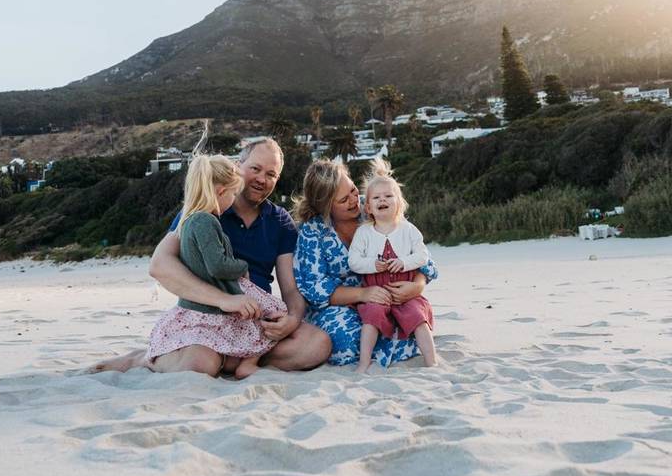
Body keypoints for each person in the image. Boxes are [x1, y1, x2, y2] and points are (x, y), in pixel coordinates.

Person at [91, 138, 331, 376]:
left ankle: (232, 358)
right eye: (255, 169)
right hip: (209, 316)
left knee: (317, 344)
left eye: (271, 174)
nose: (262, 179)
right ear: (238, 165)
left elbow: (290, 287)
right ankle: (145, 358)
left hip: (254, 319)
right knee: (200, 365)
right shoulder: (204, 209)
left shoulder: (279, 220)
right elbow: (159, 265)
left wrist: (292, 319)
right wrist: (223, 300)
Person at [144, 152, 287, 378]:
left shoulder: (195, 218)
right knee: (272, 312)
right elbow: (217, 265)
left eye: (271, 174)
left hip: (225, 300)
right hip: (221, 297)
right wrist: (242, 267)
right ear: (221, 192)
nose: (234, 199)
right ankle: (246, 362)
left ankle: (238, 360)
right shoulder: (204, 220)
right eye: (233, 193)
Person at [292, 159, 438, 369]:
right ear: (325, 206)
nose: (354, 200)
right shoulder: (312, 232)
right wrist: (363, 294)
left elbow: (422, 256)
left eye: (353, 190)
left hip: (392, 298)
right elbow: (314, 288)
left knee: (414, 320)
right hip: (341, 305)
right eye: (344, 200)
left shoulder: (374, 204)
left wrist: (417, 286)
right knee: (348, 340)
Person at [347, 159, 436, 373]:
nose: (382, 200)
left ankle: (432, 360)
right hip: (377, 293)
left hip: (406, 292)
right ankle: (364, 362)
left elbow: (423, 256)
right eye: (376, 197)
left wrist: (404, 262)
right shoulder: (364, 232)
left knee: (418, 317)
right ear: (368, 207)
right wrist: (373, 265)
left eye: (388, 196)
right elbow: (354, 261)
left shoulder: (408, 229)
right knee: (371, 317)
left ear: (399, 203)